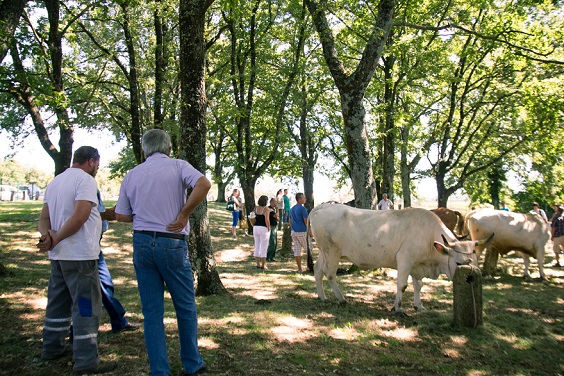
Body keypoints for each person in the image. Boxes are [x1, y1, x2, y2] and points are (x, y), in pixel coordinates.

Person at [115, 129, 210, 376]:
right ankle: (192, 362)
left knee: (152, 312)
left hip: (143, 243)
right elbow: (204, 183)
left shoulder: (132, 174)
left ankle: (159, 370)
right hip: (172, 242)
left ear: (144, 150)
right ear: (169, 149)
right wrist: (184, 213)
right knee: (185, 306)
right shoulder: (179, 166)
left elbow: (123, 215)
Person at [37, 146, 117, 375]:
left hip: (59, 258)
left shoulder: (55, 182)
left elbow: (44, 217)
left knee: (57, 303)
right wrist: (55, 238)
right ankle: (86, 360)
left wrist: (47, 237)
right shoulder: (85, 181)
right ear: (91, 161)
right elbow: (81, 216)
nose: (98, 169)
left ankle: (51, 347)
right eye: (98, 164)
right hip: (80, 257)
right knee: (85, 307)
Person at [96, 191, 140, 334]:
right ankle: (76, 331)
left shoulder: (60, 183)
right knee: (86, 292)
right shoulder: (85, 184)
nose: (98, 167)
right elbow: (88, 214)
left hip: (90, 244)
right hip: (86, 246)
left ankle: (118, 320)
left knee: (104, 284)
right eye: (96, 166)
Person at [289, 192, 312, 274]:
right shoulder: (303, 209)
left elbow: (290, 221)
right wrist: (310, 231)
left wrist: (293, 228)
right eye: (303, 198)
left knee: (297, 250)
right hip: (302, 231)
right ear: (299, 199)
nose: (305, 199)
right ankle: (308, 266)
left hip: (294, 231)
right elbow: (306, 222)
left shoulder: (292, 209)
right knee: (308, 249)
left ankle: (299, 268)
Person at [252, 195, 271, 269]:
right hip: (263, 228)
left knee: (257, 245)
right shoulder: (266, 209)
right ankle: (263, 264)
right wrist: (268, 227)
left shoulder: (256, 208)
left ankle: (257, 263)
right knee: (264, 246)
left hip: (256, 227)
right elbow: (267, 219)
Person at [266, 197, 279, 262]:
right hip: (271, 226)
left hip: (274, 225)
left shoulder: (273, 209)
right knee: (272, 241)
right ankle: (268, 256)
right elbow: (276, 216)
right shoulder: (270, 209)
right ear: (271, 202)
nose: (276, 203)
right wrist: (277, 209)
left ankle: (272, 256)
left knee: (275, 242)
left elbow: (278, 218)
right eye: (275, 202)